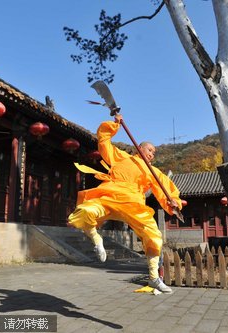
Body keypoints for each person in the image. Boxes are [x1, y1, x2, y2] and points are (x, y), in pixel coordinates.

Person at [67, 114, 182, 293]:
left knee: (154, 236)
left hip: (133, 204)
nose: (152, 154)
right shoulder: (121, 157)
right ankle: (96, 239)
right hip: (110, 196)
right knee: (85, 210)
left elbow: (166, 191)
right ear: (139, 148)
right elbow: (103, 141)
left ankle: (153, 278)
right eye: (150, 150)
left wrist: (173, 201)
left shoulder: (153, 171)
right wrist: (115, 125)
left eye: (154, 153)